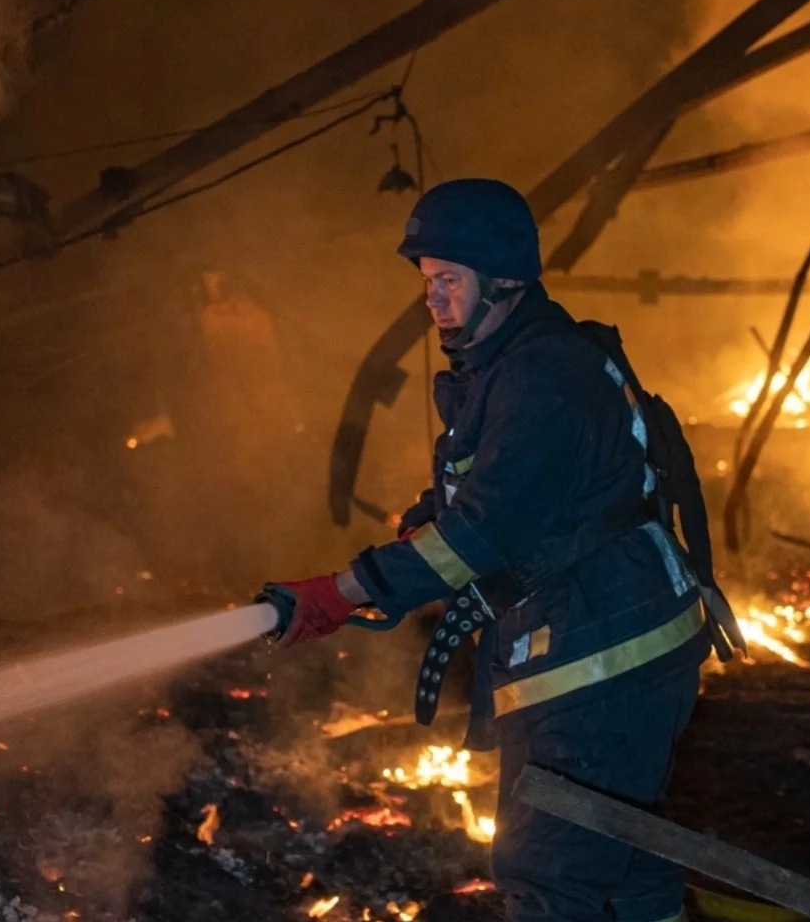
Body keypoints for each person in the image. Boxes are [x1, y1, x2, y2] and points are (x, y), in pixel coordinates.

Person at [261, 177, 739, 922]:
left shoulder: (543, 379)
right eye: (428, 282)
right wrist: (405, 552)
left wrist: (344, 591)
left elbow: (479, 535)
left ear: (504, 281)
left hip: (600, 658)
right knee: (622, 859)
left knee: (549, 873)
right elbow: (473, 502)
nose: (434, 301)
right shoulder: (518, 365)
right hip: (616, 643)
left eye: (450, 280)